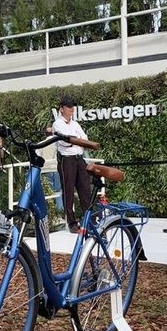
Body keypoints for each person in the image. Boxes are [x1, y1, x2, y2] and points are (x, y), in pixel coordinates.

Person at [52, 96, 92, 233]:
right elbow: (64, 141)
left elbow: (84, 139)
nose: (71, 110)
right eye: (69, 107)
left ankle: (89, 220)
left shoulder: (75, 124)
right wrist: (76, 140)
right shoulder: (57, 124)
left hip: (79, 159)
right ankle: (72, 223)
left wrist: (75, 140)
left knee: (85, 189)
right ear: (62, 108)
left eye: (72, 107)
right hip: (66, 160)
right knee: (68, 192)